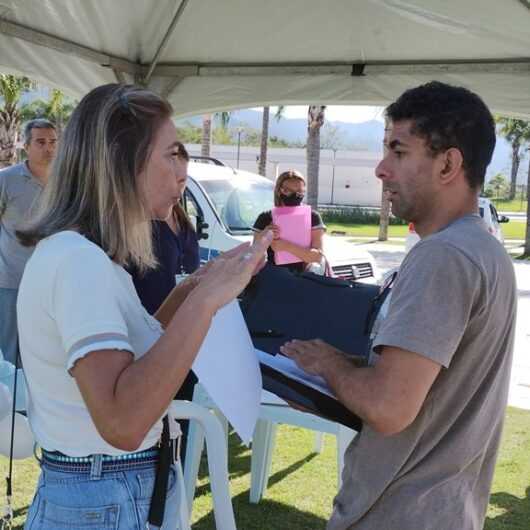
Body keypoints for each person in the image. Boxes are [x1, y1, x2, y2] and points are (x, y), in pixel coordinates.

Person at [16, 84, 272, 530]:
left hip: (109, 493)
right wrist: (207, 302)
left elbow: (130, 364)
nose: (183, 172)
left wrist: (192, 289)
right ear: (122, 161)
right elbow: (123, 420)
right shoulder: (78, 262)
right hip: (106, 498)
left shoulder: (87, 257)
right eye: (172, 154)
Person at [281, 81, 517, 530]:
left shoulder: (443, 256)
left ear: (448, 163)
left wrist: (329, 364)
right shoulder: (483, 250)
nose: (380, 169)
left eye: (398, 151)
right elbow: (430, 395)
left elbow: (390, 407)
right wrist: (339, 379)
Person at [128, 141, 199, 462]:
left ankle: (175, 461)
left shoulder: (183, 221)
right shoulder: (137, 226)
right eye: (172, 178)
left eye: (183, 180)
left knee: (182, 406)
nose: (178, 187)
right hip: (149, 329)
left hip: (183, 330)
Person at [0, 119, 57, 364]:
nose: (49, 148)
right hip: (13, 282)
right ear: (26, 145)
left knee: (46, 351)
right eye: (41, 142)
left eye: (53, 142)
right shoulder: (6, 180)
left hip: (53, 284)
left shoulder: (65, 182)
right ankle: (11, 401)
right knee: (10, 352)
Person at [253, 169, 325, 273]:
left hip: (303, 279)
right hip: (271, 277)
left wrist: (286, 246)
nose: (294, 195)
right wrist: (264, 236)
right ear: (279, 190)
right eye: (288, 190)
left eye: (299, 191)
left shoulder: (312, 216)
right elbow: (254, 254)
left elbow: (317, 257)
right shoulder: (265, 217)